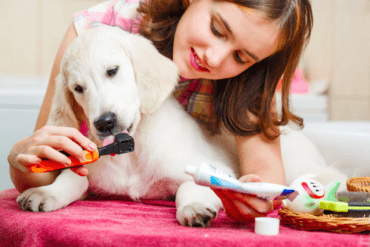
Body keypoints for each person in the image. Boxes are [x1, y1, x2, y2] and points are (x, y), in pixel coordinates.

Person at [8, 0, 313, 223]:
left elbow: (266, 170)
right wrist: (20, 158)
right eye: (217, 29)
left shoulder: (245, 81)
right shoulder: (99, 32)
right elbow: (44, 163)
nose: (214, 57)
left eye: (242, 56)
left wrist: (252, 195)